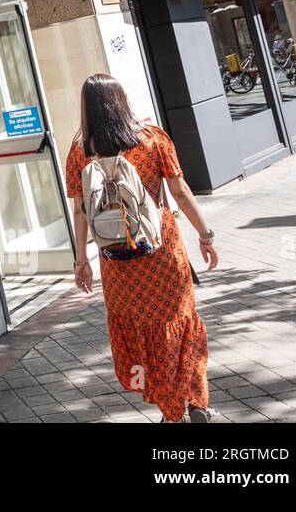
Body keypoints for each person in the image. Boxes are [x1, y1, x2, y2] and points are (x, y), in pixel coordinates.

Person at [65, 74, 220, 423]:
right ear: (121, 101)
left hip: (117, 261)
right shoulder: (151, 139)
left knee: (145, 335)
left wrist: (80, 261)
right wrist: (205, 235)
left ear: (86, 108)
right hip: (162, 250)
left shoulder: (79, 153)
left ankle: (170, 411)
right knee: (181, 325)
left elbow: (79, 211)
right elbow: (179, 192)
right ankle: (195, 402)